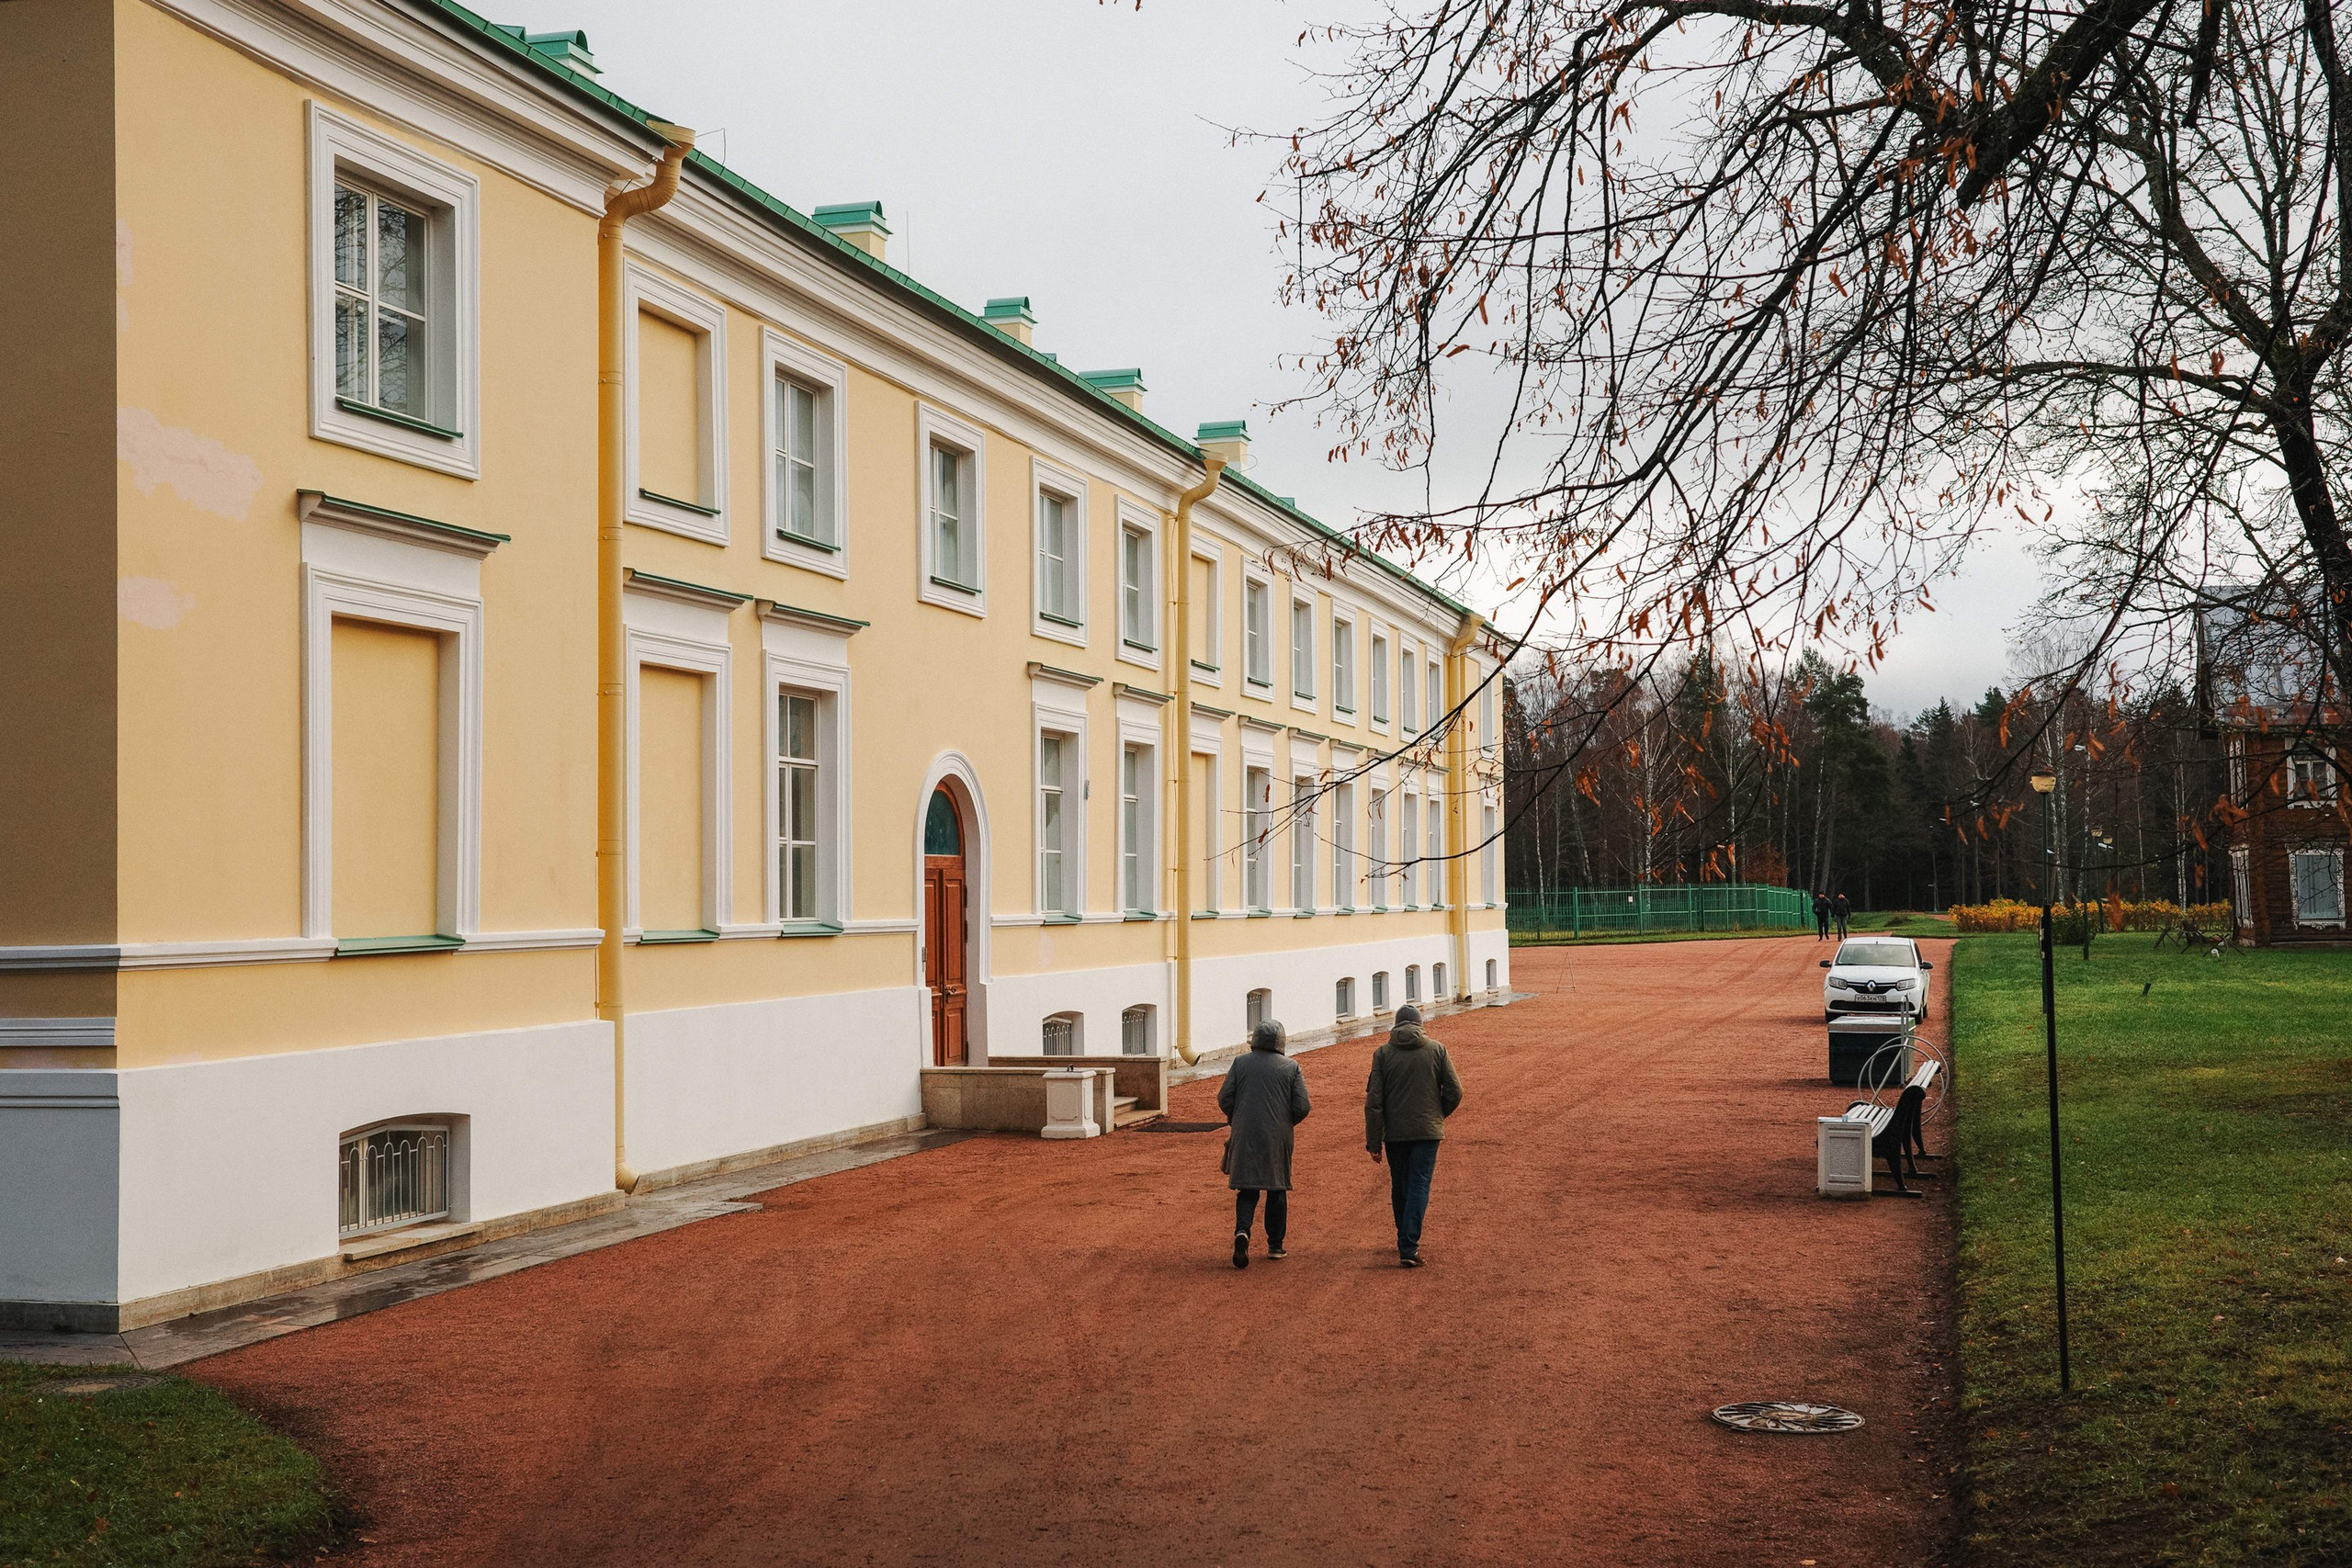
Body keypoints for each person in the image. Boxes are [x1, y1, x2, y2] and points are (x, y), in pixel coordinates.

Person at [1364, 1003, 1464, 1267]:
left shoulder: (1382, 1054)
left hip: (1395, 1133)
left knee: (1400, 1184)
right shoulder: (1437, 1050)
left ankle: (1404, 1239)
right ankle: (1408, 1245)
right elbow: (1455, 1091)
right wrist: (1437, 1115)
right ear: (1420, 1024)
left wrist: (1374, 1142)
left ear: (1395, 1026)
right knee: (1419, 1182)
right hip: (1427, 1132)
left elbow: (1374, 1101)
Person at [1218, 1020, 1310, 1269]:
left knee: (1247, 1188)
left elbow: (1225, 1098)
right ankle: (1275, 1245)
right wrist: (1286, 1122)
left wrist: (1236, 1118)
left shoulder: (1240, 1063)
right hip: (1277, 1136)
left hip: (1245, 1132)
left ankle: (1242, 1232)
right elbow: (1302, 1106)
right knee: (1277, 1188)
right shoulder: (1291, 1067)